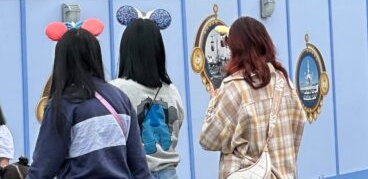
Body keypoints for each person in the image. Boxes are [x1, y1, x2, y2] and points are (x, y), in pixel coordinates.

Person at [26, 27, 150, 179]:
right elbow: (139, 167)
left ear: (62, 62)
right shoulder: (120, 98)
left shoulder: (63, 105)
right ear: (95, 57)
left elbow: (43, 168)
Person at [199, 17, 305, 179]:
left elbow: (208, 140)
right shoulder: (284, 82)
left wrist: (213, 102)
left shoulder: (235, 87)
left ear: (236, 49)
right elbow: (298, 127)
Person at [110, 18, 185, 179]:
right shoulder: (172, 91)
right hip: (170, 173)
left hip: (133, 173)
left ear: (126, 51)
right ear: (159, 52)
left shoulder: (116, 90)